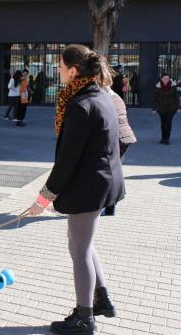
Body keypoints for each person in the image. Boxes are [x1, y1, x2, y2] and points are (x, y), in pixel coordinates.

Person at [28, 45, 124, 334]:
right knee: (81, 243)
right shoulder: (100, 94)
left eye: (60, 66)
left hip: (90, 185)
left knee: (79, 249)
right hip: (101, 181)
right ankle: (101, 298)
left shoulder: (81, 105)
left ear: (73, 70)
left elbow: (67, 161)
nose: (57, 70)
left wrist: (42, 199)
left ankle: (85, 319)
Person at [153, 73, 179, 145]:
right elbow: (155, 98)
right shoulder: (158, 87)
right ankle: (163, 138)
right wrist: (154, 108)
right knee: (163, 123)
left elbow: (176, 97)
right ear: (161, 79)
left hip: (171, 108)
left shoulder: (173, 86)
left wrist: (178, 107)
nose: (166, 80)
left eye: (167, 78)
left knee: (168, 123)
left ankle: (167, 138)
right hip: (161, 108)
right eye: (164, 78)